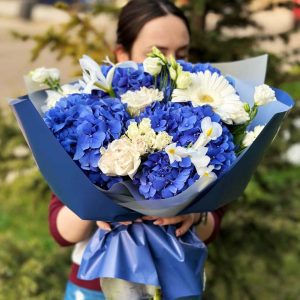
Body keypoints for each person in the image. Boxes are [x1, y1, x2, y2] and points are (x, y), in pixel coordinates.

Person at [49, 1, 226, 299]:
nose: (171, 65)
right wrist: (95, 205)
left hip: (175, 282)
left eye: (181, 54)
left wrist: (194, 216)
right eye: (156, 53)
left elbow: (214, 222)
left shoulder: (204, 119)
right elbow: (60, 231)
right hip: (95, 286)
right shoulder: (87, 116)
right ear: (122, 54)